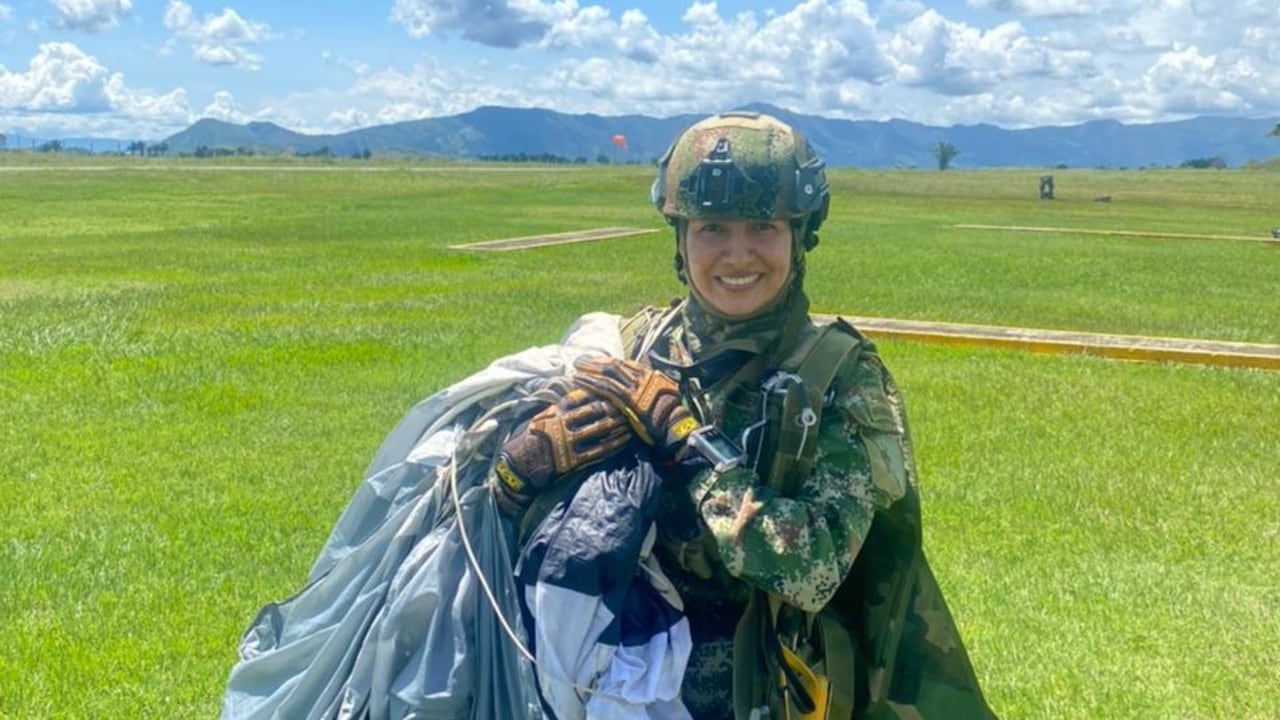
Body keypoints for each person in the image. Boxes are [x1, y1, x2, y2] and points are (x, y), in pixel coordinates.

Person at [496, 111, 999, 719]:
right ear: (681, 239)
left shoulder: (840, 379)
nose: (738, 254)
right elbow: (528, 536)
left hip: (773, 694)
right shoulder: (633, 346)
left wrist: (690, 447)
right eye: (712, 228)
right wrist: (519, 471)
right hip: (617, 684)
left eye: (763, 226)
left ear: (800, 235)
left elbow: (812, 570)